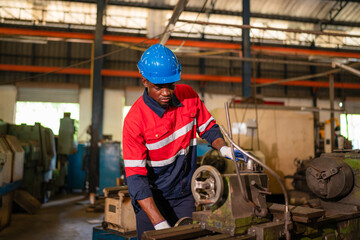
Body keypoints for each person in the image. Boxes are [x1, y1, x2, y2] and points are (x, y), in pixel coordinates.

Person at [122, 44, 241, 239]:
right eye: (159, 87)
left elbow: (208, 128)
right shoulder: (135, 121)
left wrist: (224, 149)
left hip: (184, 195)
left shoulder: (188, 96)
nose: (166, 92)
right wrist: (159, 223)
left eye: (170, 85)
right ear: (144, 81)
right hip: (152, 199)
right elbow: (136, 178)